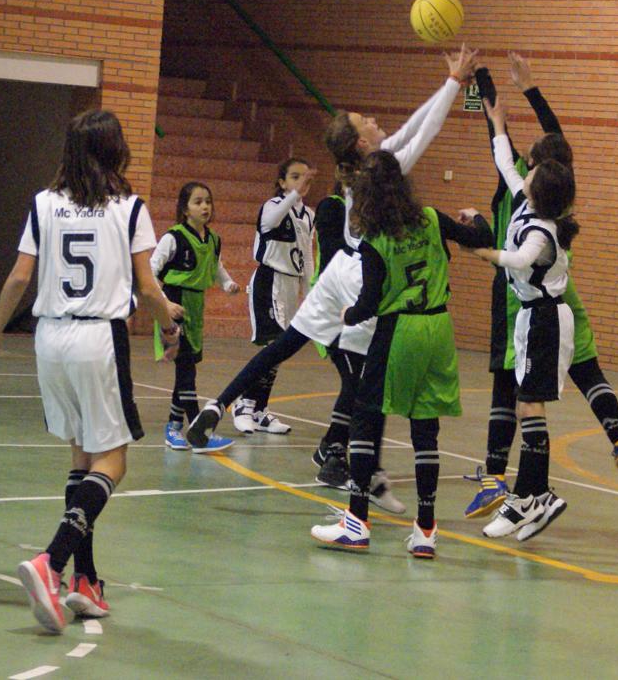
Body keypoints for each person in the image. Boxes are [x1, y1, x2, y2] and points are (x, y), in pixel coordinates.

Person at [188, 46, 478, 514]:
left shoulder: (363, 166)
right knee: (373, 381)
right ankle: (372, 473)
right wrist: (452, 84)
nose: (374, 122)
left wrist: (449, 82)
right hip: (363, 272)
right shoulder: (382, 171)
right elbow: (424, 132)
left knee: (285, 345)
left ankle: (217, 406)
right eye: (365, 121)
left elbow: (409, 129)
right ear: (361, 142)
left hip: (334, 270)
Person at [0, 109, 186, 635]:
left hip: (49, 336)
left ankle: (85, 581)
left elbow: (18, 277)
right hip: (99, 338)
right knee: (113, 461)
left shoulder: (43, 204)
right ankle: (53, 560)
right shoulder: (129, 207)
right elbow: (146, 286)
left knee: (82, 455)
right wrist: (169, 320)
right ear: (116, 149)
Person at [463, 54, 618, 521]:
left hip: (519, 298)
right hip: (563, 291)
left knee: (512, 385)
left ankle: (497, 478)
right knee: (587, 369)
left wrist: (483, 85)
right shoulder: (561, 190)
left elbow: (497, 140)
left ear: (530, 169)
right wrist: (530, 89)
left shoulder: (521, 191)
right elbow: (558, 143)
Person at [310, 151, 493, 557]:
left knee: (366, 415)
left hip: (399, 330)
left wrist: (347, 313)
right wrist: (477, 218)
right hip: (439, 329)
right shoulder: (430, 217)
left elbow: (371, 302)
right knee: (424, 428)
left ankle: (355, 522)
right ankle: (426, 530)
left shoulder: (375, 238)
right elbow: (481, 239)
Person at [475, 94, 578, 541]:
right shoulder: (526, 204)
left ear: (541, 188)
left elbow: (519, 260)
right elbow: (505, 163)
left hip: (546, 321)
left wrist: (483, 251)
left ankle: (534, 496)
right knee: (525, 407)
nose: (526, 168)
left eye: (532, 170)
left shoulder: (542, 230)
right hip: (531, 320)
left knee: (530, 407)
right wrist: (498, 124)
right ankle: (534, 497)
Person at [230, 158, 316, 434]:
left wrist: (310, 292)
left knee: (279, 351)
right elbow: (270, 221)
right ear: (282, 182)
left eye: (305, 178)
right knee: (271, 346)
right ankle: (244, 404)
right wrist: (293, 194)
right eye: (294, 177)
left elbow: (307, 256)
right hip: (270, 281)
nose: (301, 182)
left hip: (292, 285)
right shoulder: (273, 207)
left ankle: (259, 409)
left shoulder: (310, 216)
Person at [152, 182, 239, 453]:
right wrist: (165, 304)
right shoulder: (173, 237)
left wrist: (227, 284)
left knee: (186, 370)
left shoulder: (213, 239)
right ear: (184, 208)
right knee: (186, 368)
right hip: (174, 303)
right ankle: (197, 431)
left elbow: (217, 268)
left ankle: (173, 427)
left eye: (208, 202)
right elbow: (149, 271)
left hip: (196, 306)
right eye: (198, 202)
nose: (204, 206)